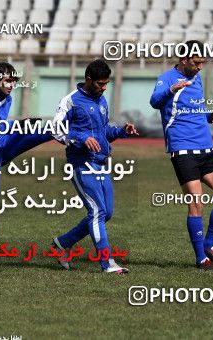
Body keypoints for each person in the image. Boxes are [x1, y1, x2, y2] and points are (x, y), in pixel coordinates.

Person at [150, 40, 213, 270]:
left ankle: (209, 244)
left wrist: (209, 115)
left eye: (202, 63)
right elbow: (154, 101)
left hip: (206, 147)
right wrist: (171, 89)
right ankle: (201, 258)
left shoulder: (196, 79)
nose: (200, 67)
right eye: (196, 62)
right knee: (196, 203)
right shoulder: (168, 77)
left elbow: (192, 107)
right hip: (183, 149)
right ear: (184, 59)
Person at [51, 59, 138, 273]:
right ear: (88, 79)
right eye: (100, 84)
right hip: (81, 164)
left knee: (105, 213)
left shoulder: (101, 100)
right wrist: (81, 139)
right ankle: (107, 263)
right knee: (97, 211)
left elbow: (104, 130)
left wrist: (121, 131)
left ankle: (62, 244)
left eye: (106, 83)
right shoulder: (70, 101)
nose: (104, 87)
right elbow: (54, 128)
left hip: (100, 163)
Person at [0, 62, 53, 252]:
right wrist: (18, 126)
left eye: (13, 81)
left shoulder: (8, 98)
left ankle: (64, 134)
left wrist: (21, 127)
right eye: (8, 80)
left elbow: (1, 132)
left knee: (41, 129)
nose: (11, 85)